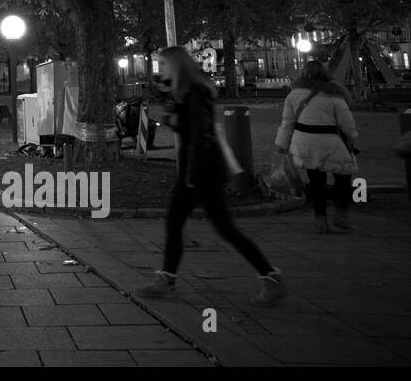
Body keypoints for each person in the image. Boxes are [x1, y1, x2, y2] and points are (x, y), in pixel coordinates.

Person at [136, 47, 285, 306]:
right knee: (182, 223)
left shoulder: (195, 92)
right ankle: (167, 279)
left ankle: (270, 276)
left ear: (176, 64)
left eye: (164, 64)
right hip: (199, 169)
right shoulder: (185, 91)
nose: (161, 68)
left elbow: (200, 135)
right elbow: (181, 123)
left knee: (220, 227)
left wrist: (191, 175)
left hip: (201, 170)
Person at [274, 60, 359, 233]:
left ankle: (320, 219)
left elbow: (287, 123)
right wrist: (352, 139)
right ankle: (340, 212)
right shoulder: (334, 94)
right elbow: (346, 123)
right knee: (343, 176)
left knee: (316, 181)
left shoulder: (293, 95)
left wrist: (282, 145)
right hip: (330, 140)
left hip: (304, 140)